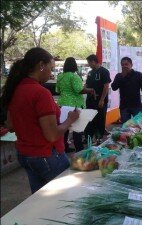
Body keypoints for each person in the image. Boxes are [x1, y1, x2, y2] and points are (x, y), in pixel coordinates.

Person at [0, 47, 80, 193]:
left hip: (25, 155)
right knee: (63, 198)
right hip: (46, 155)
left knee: (40, 199)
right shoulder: (40, 93)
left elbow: (11, 126)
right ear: (41, 65)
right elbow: (52, 135)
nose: (51, 74)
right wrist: (70, 120)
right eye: (51, 68)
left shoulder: (15, 89)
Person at [56, 57, 95, 152]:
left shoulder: (60, 76)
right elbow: (79, 90)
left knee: (65, 127)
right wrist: (90, 90)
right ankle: (79, 149)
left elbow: (57, 90)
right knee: (78, 128)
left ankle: (64, 147)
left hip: (62, 104)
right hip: (74, 105)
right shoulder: (74, 76)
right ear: (74, 65)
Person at [111, 57, 142, 123]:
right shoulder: (119, 76)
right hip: (124, 107)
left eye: (126, 64)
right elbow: (114, 88)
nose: (124, 66)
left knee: (139, 126)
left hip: (136, 106)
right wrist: (122, 76)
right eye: (122, 65)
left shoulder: (138, 75)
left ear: (131, 65)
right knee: (126, 128)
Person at [84, 54, 111, 144]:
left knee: (100, 119)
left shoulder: (104, 71)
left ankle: (99, 138)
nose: (89, 65)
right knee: (90, 119)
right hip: (90, 100)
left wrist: (102, 99)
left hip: (100, 101)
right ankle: (89, 137)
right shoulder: (90, 73)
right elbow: (86, 85)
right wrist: (84, 89)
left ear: (93, 61)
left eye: (89, 63)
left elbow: (106, 86)